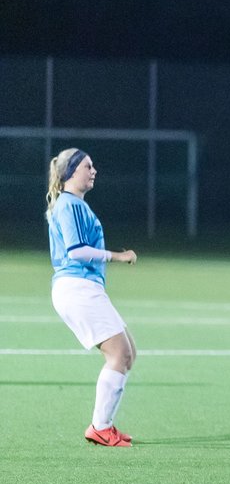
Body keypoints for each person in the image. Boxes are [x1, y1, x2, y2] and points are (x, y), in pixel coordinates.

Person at [45, 148, 139, 447]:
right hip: (76, 287)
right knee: (119, 354)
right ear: (72, 172)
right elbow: (76, 251)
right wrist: (118, 256)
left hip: (85, 287)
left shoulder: (74, 205)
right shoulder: (68, 205)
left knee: (129, 353)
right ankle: (100, 427)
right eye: (88, 166)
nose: (94, 170)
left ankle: (104, 425)